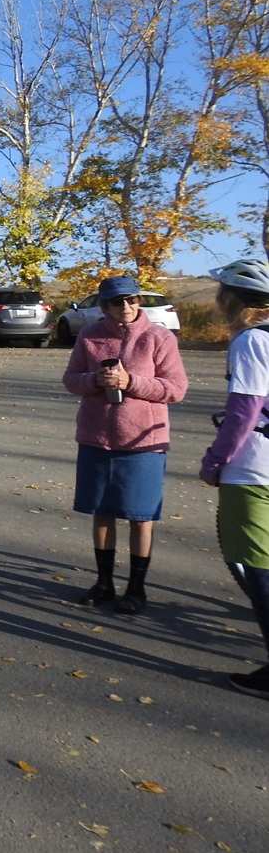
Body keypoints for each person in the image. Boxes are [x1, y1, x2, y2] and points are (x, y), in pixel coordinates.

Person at [61, 274, 187, 616]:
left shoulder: (158, 337)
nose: (126, 306)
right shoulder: (90, 335)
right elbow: (70, 380)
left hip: (143, 441)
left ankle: (136, 588)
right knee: (102, 513)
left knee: (139, 517)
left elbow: (175, 388)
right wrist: (93, 380)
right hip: (97, 439)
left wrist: (132, 382)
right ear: (104, 306)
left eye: (132, 299)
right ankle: (104, 582)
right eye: (117, 301)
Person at [199, 258, 269, 697]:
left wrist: (215, 460)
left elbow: (244, 411)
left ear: (231, 299)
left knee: (256, 566)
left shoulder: (251, 340)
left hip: (254, 468)